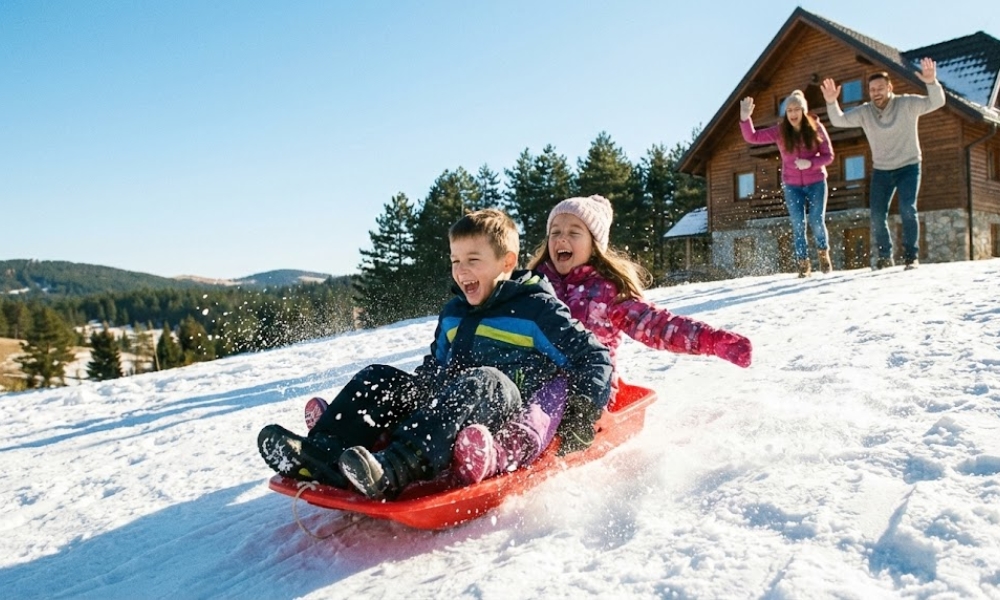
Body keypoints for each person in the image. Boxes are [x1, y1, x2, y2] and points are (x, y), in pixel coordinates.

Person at [258, 208, 613, 500]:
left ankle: (396, 467)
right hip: (447, 405)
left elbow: (593, 357)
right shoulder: (454, 312)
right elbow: (436, 363)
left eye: (473, 259)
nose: (461, 271)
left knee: (483, 381)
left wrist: (581, 413)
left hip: (501, 408)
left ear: (507, 262)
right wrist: (408, 396)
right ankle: (321, 453)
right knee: (379, 376)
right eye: (455, 260)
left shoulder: (537, 309)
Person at [450, 195, 753, 485]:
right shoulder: (528, 285)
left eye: (573, 232)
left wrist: (716, 341)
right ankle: (462, 443)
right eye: (555, 231)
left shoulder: (608, 293)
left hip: (586, 390)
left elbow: (661, 326)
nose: (561, 239)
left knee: (556, 387)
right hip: (527, 376)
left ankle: (506, 451)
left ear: (594, 244)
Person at [821, 58, 945, 270]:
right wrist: (832, 102)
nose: (876, 92)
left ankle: (910, 257)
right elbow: (839, 120)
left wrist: (932, 83)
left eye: (880, 88)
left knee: (907, 209)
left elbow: (936, 102)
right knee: (877, 215)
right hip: (882, 170)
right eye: (872, 90)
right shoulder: (865, 112)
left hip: (909, 166)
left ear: (890, 88)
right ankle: (885, 256)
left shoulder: (906, 104)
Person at [739, 90, 835, 277]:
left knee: (816, 220)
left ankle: (823, 255)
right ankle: (803, 265)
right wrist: (745, 118)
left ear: (803, 111)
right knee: (798, 224)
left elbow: (829, 156)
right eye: (789, 110)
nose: (792, 114)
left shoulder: (816, 127)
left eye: (796, 109)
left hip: (816, 182)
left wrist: (811, 163)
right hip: (792, 185)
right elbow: (753, 137)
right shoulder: (780, 131)